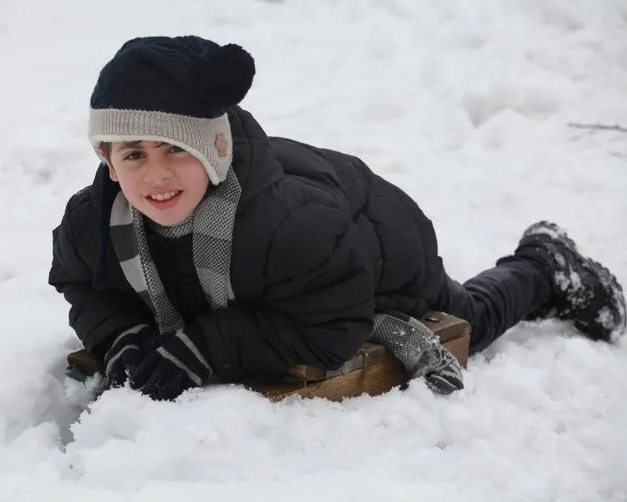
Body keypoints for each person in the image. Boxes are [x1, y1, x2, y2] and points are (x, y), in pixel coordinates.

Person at [49, 35, 626, 401]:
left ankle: (544, 267)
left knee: (467, 315)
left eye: (176, 149)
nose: (156, 175)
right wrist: (120, 334)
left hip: (373, 250)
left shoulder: (286, 228)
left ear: (214, 149)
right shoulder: (94, 222)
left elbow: (334, 325)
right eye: (133, 155)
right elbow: (81, 282)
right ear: (107, 162)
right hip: (299, 264)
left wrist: (209, 346)